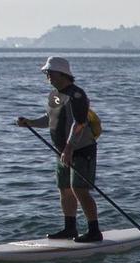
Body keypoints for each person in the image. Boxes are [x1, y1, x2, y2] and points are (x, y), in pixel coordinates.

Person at [12, 56, 101, 242]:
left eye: (50, 72)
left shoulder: (77, 95)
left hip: (81, 149)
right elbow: (50, 119)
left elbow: (80, 123)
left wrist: (69, 148)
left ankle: (94, 231)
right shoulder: (55, 95)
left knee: (79, 189)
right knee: (65, 188)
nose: (47, 76)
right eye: (46, 73)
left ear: (62, 74)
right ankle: (70, 229)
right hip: (62, 151)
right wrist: (30, 122)